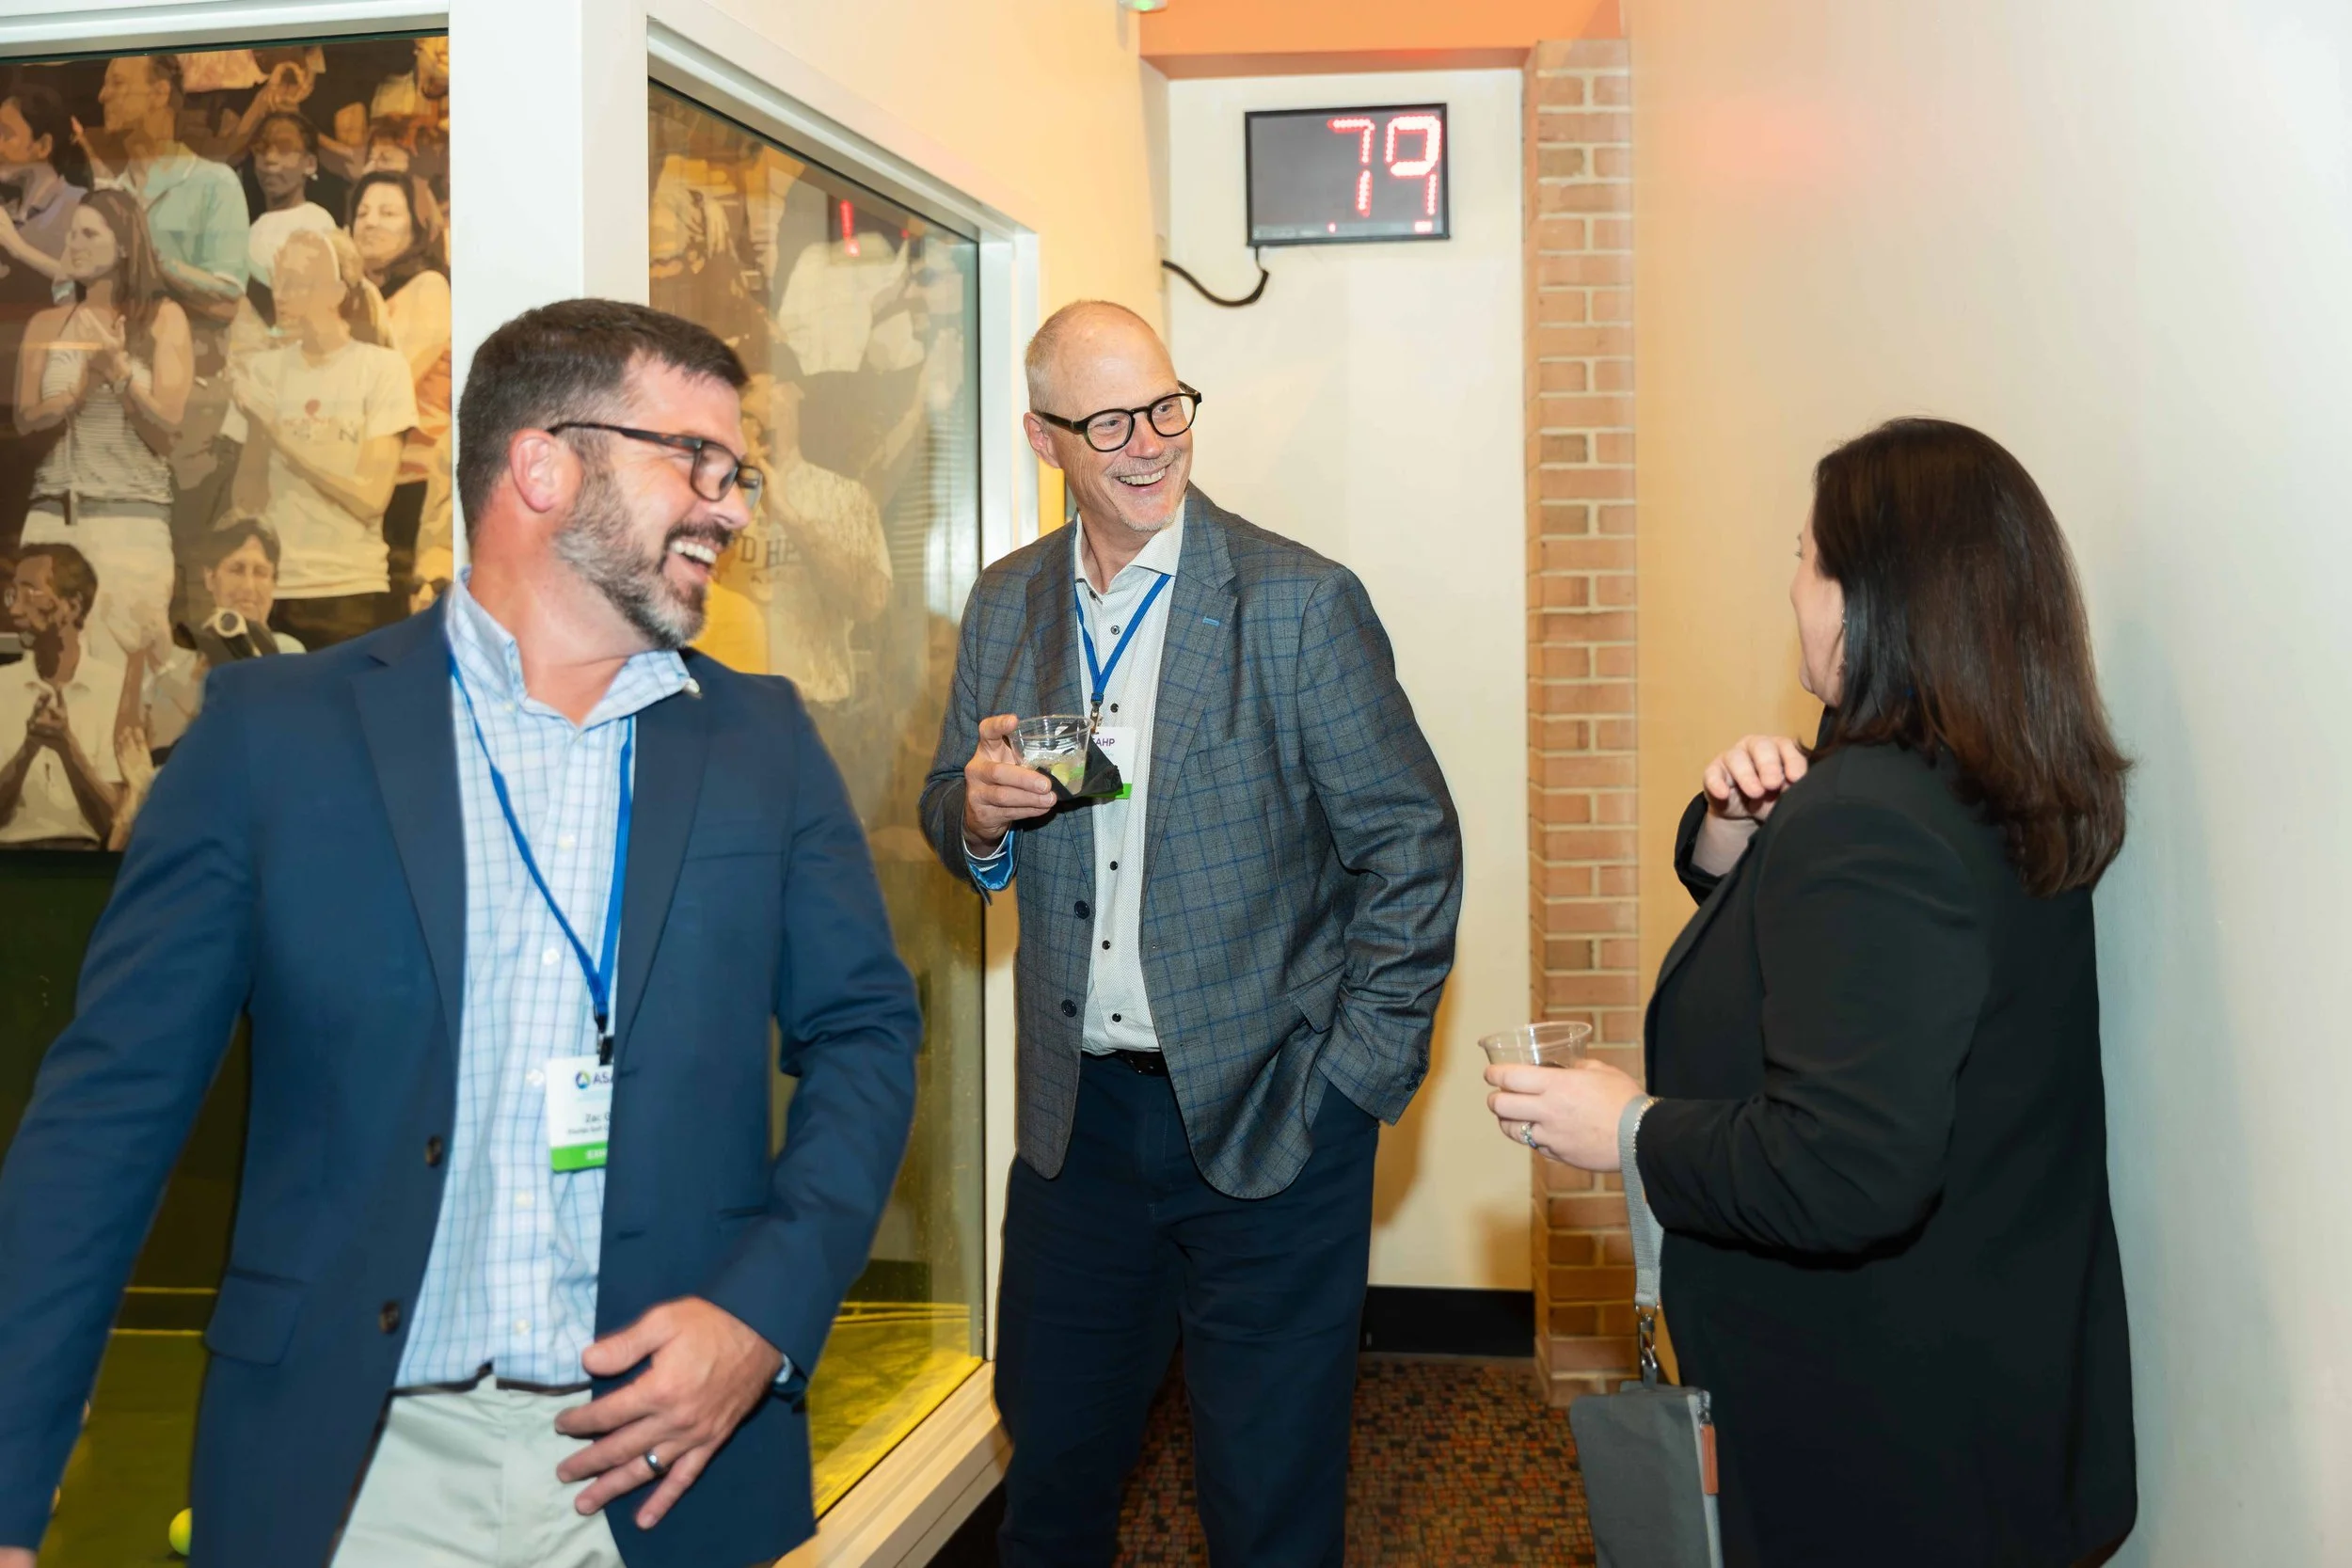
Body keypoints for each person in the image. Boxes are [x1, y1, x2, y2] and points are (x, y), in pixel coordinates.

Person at [0, 298, 923, 1568]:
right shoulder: (274, 736)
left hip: (668, 1465)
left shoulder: (762, 739)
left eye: (738, 473)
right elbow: (105, 1120)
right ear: (543, 465)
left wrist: (763, 1313)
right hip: (353, 1477)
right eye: (696, 462)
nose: (730, 507)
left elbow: (866, 1033)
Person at [1486, 419, 2137, 1567]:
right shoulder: (2005, 774)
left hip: (1877, 1438)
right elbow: (1864, 976)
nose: (1790, 585)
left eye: (1804, 556)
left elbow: (1846, 1169)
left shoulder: (1869, 816)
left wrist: (1627, 1129)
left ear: (1866, 597)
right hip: (2001, 1398)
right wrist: (1733, 836)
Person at [918, 300, 1463, 1566]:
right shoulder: (1007, 604)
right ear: (1045, 439)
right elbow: (963, 797)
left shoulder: (1297, 603)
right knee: (1051, 1483)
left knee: (1267, 1503)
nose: (1152, 440)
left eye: (1167, 405)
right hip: (1078, 1133)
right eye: (1111, 420)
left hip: (1273, 1117)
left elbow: (1411, 846)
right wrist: (979, 816)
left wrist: (1351, 1083)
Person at [80, 54, 252, 560]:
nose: (103, 95)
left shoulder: (214, 183)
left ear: (160, 93)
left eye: (117, 82)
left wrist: (150, 260)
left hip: (190, 428)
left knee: (187, 568)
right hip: (115, 418)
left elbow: (227, 300)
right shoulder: (110, 195)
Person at [13, 188, 191, 674]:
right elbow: (24, 425)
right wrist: (79, 390)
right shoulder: (46, 324)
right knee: (45, 674)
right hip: (52, 517)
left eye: (90, 234)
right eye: (72, 234)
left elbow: (168, 433)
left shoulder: (163, 320)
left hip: (129, 522)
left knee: (127, 676)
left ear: (126, 245)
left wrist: (118, 372)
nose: (75, 244)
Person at [230, 225, 414, 648]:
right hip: (276, 590)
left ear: (337, 291)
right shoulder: (263, 371)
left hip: (352, 587)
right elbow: (246, 497)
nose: (281, 294)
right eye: (278, 281)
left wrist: (278, 433)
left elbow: (370, 498)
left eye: (298, 282)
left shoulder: (382, 369)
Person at [346, 169, 449, 594]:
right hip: (363, 479)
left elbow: (389, 384)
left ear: (418, 227)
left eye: (388, 213)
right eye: (362, 213)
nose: (370, 222)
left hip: (413, 484)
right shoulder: (357, 295)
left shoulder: (428, 288)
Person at [0, 80, 86, 555]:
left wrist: (16, 248)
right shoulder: (6, 208)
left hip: (45, 414)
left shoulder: (80, 206)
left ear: (43, 145)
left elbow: (86, 291)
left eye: (5, 133)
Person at [142, 516, 303, 752]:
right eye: (236, 570)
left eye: (260, 572)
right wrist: (195, 683)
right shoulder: (175, 665)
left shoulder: (290, 654)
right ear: (210, 577)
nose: (248, 587)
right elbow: (161, 750)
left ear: (274, 582)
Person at [0, 542, 122, 847]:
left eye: (30, 593)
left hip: (86, 863)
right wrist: (28, 749)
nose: (14, 610)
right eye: (13, 595)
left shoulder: (114, 689)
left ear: (73, 607)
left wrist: (67, 747)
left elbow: (116, 823)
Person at [243, 111, 336, 299]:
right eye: (261, 149)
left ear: (310, 164)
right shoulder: (254, 229)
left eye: (284, 149)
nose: (270, 158)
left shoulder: (317, 223)